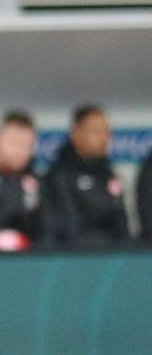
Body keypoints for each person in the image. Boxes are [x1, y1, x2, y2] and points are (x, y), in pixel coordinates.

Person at [39, 103, 133, 248]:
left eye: (106, 132)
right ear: (76, 134)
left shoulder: (110, 175)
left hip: (113, 259)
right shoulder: (59, 176)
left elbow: (122, 226)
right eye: (95, 131)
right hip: (75, 260)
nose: (103, 138)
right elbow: (66, 229)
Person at [0, 109, 43, 250]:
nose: (19, 151)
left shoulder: (37, 182)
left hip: (27, 262)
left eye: (26, 145)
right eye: (14, 142)